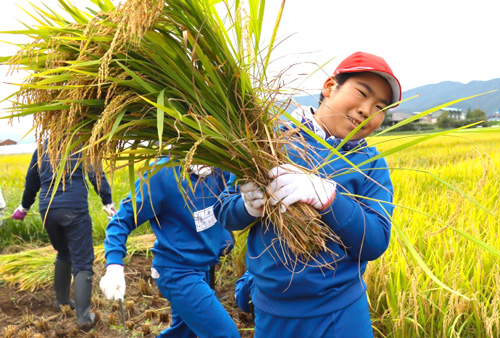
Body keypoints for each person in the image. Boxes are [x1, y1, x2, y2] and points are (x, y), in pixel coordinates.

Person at [214, 51, 399, 337]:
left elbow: (374, 242)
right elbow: (225, 212)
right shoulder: (268, 139)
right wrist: (249, 206)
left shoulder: (370, 163)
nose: (367, 110)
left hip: (342, 314)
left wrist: (329, 199)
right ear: (329, 87)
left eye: (379, 107)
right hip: (273, 313)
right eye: (362, 93)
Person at [99, 159, 240, 338]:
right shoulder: (162, 174)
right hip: (177, 272)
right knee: (225, 334)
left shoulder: (219, 168)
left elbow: (230, 202)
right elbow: (122, 220)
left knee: (183, 333)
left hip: (201, 267)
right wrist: (114, 265)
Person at [11, 142, 115, 331]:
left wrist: (24, 207)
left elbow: (31, 181)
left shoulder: (42, 150)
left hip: (47, 209)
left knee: (64, 253)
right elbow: (96, 175)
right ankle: (84, 317)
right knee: (82, 261)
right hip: (74, 209)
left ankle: (62, 301)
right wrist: (107, 201)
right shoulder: (82, 146)